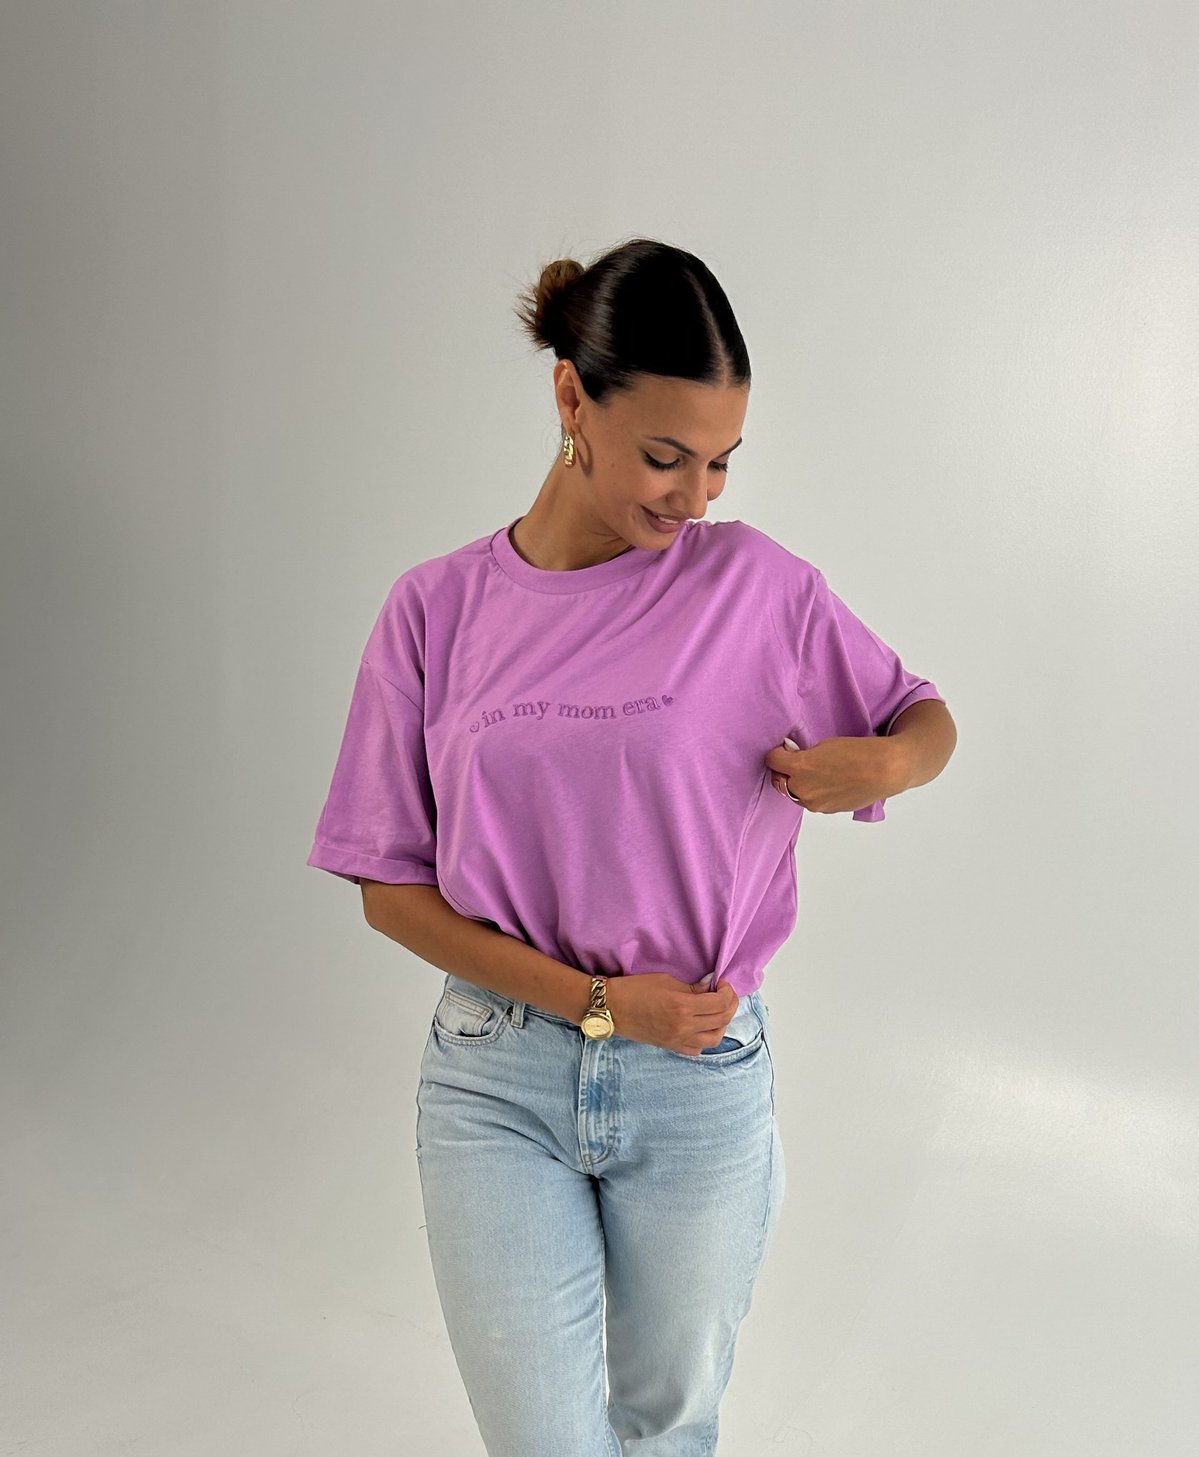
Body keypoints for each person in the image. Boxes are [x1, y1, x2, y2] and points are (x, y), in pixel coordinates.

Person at [305, 236, 957, 1455]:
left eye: (720, 461)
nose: (696, 496)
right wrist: (602, 1004)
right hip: (497, 1074)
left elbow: (922, 714)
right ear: (571, 398)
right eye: (666, 456)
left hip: (698, 1075)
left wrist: (888, 763)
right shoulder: (434, 609)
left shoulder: (755, 588)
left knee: (667, 1428)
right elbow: (388, 888)